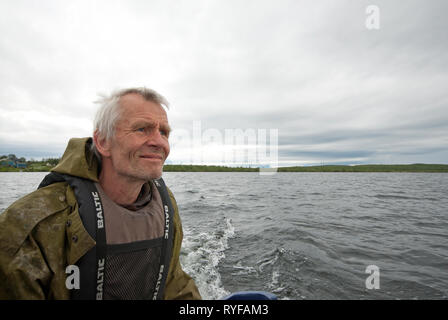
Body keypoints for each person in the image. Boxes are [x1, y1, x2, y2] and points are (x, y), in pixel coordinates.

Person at [0, 87, 202, 300]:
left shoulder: (164, 204)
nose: (159, 142)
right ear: (103, 142)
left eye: (164, 132)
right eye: (142, 129)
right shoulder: (30, 223)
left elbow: (175, 284)